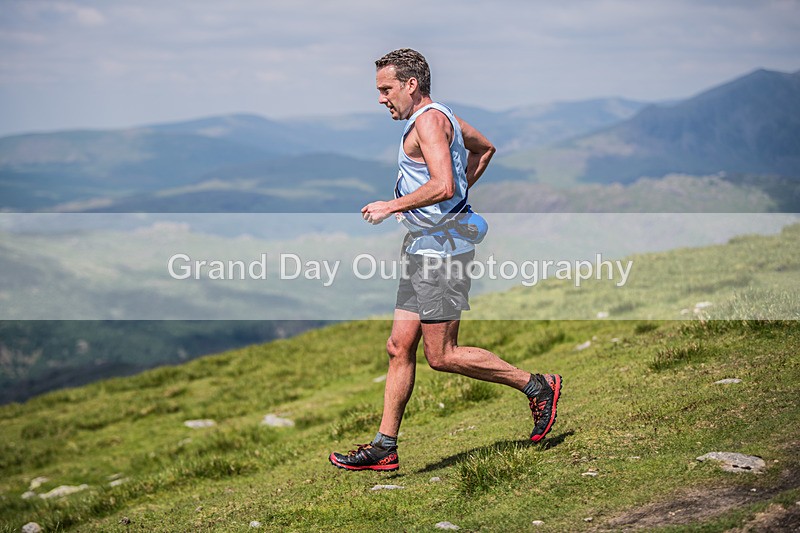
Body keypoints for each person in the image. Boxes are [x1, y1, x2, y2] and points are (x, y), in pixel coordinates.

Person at [329, 49, 561, 471]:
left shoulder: (430, 121)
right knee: (399, 346)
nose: (381, 98)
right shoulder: (443, 116)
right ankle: (385, 446)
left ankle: (538, 386)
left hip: (442, 253)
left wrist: (393, 205)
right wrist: (456, 201)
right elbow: (484, 149)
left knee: (443, 355)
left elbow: (442, 183)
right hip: (423, 247)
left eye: (386, 89)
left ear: (410, 84)